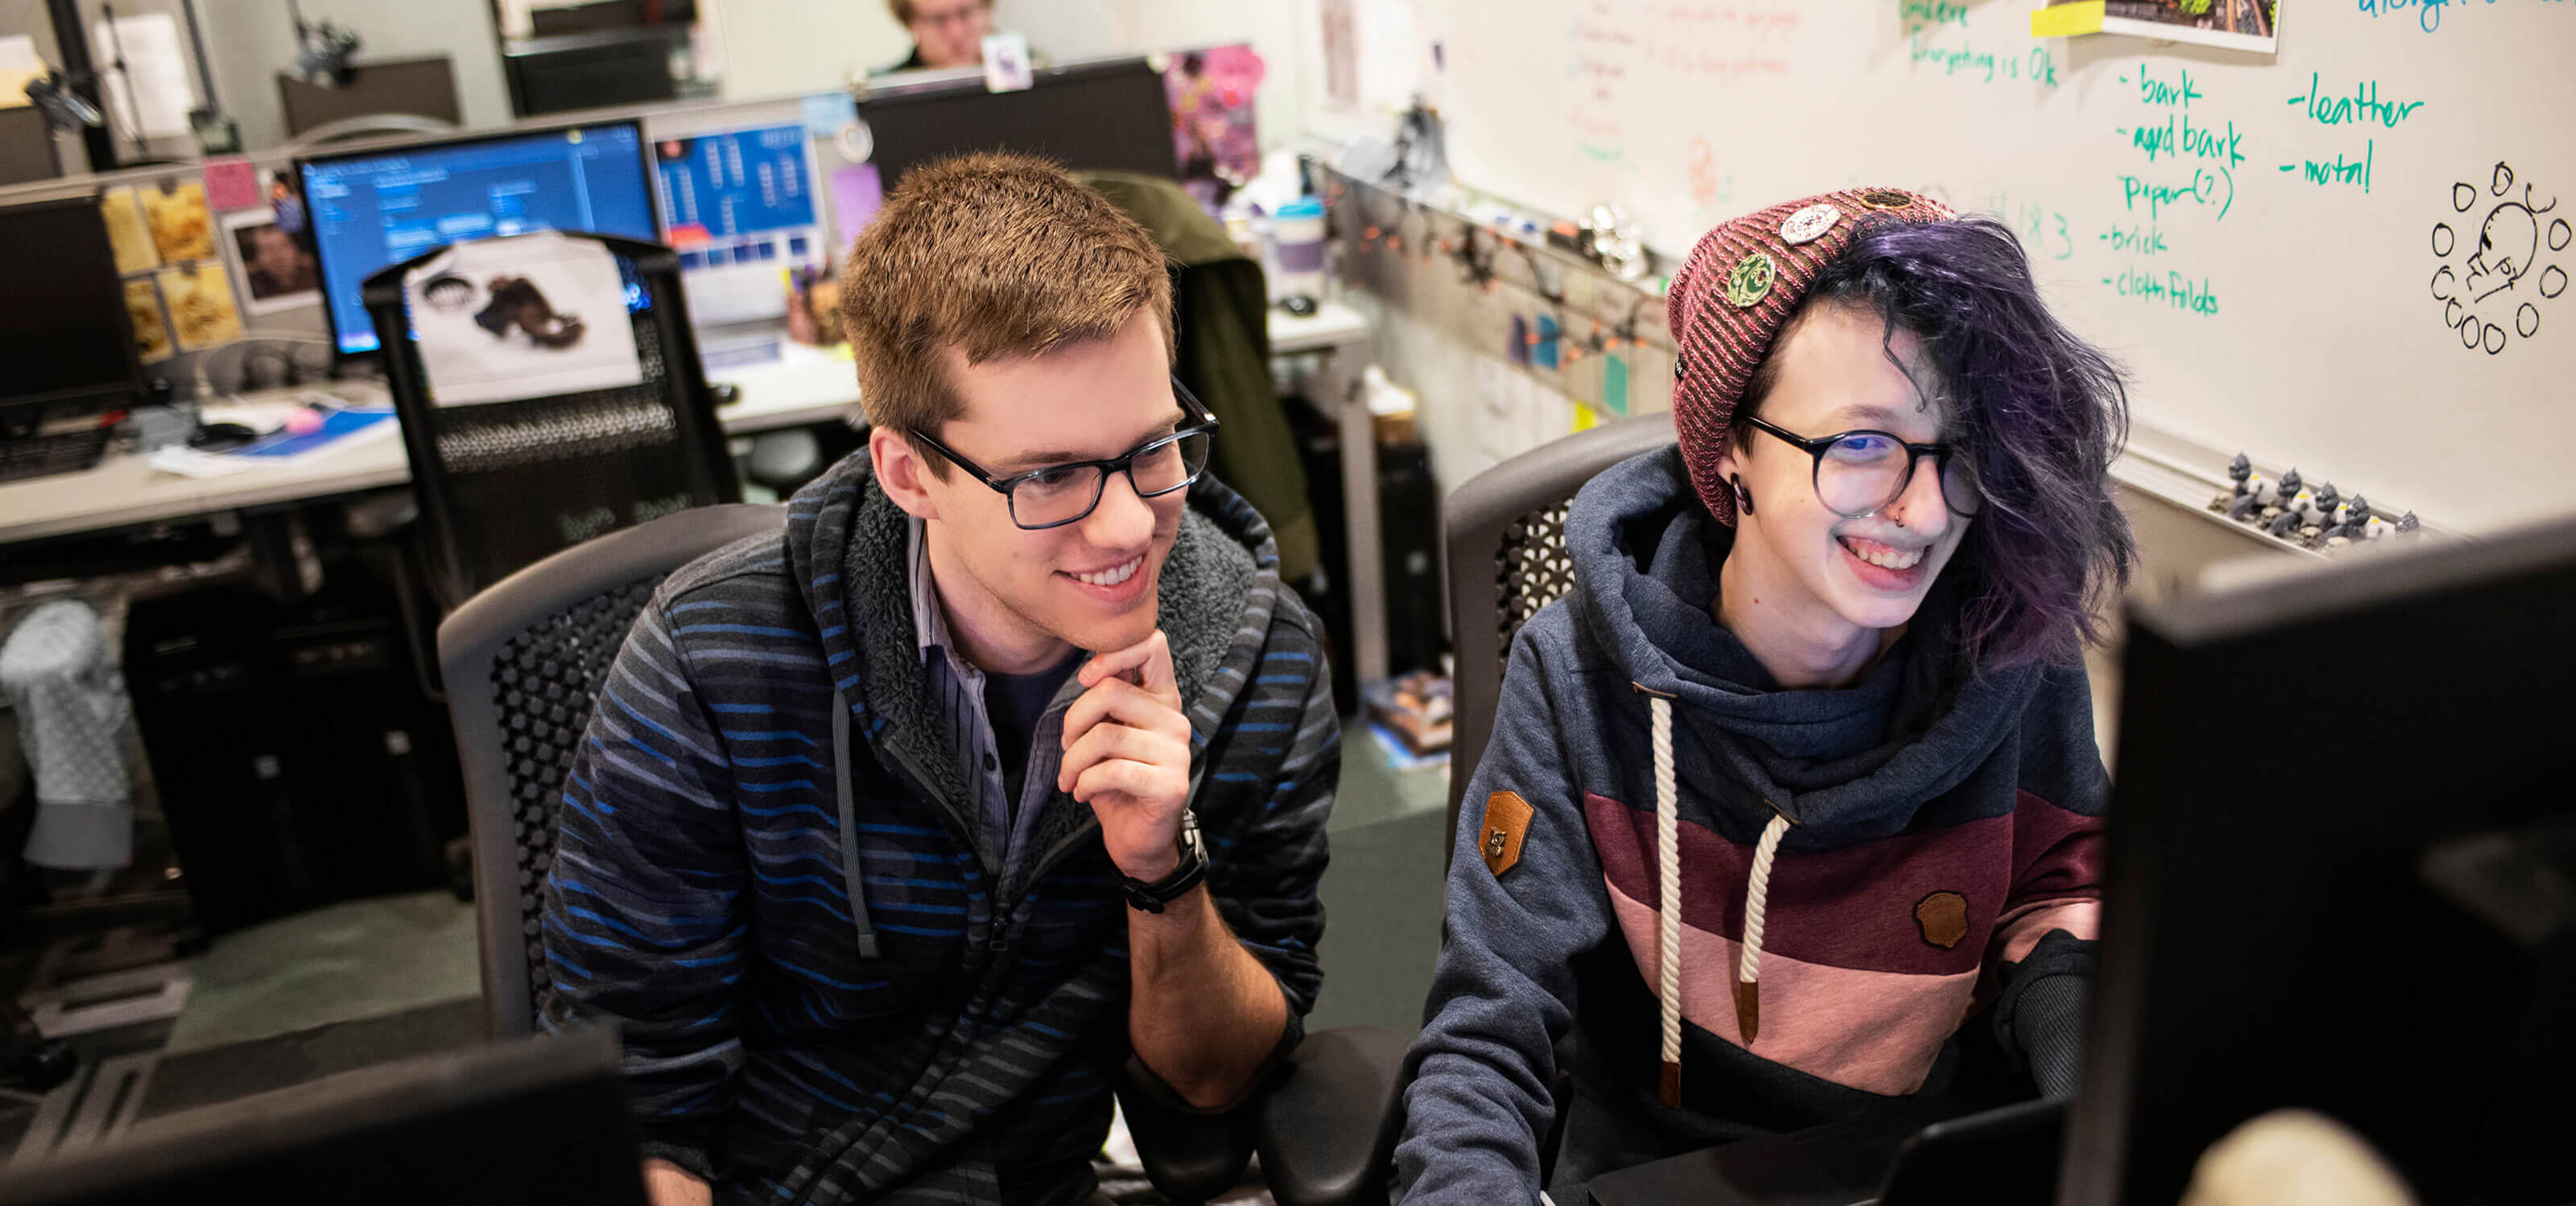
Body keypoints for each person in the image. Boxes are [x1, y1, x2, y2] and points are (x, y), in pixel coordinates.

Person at [544, 151, 1338, 1206]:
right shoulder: (713, 661)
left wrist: (1161, 869)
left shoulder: (1258, 658)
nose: (1128, 522)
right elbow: (641, 1116)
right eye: (1050, 475)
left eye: (1153, 447)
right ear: (908, 471)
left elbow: (1213, 1082)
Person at [1395, 188, 2135, 1203]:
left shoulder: (2011, 651)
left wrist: (2100, 1121)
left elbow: (2058, 905)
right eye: (1861, 445)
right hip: (1655, 1176)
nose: (1921, 509)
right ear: (1731, 451)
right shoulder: (1573, 677)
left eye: (1953, 449)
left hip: (1912, 1165)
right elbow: (1490, 1029)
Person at [885, 0, 992, 71]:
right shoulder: (884, 95)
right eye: (938, 20)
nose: (957, 34)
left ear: (988, 8)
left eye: (965, 13)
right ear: (910, 24)